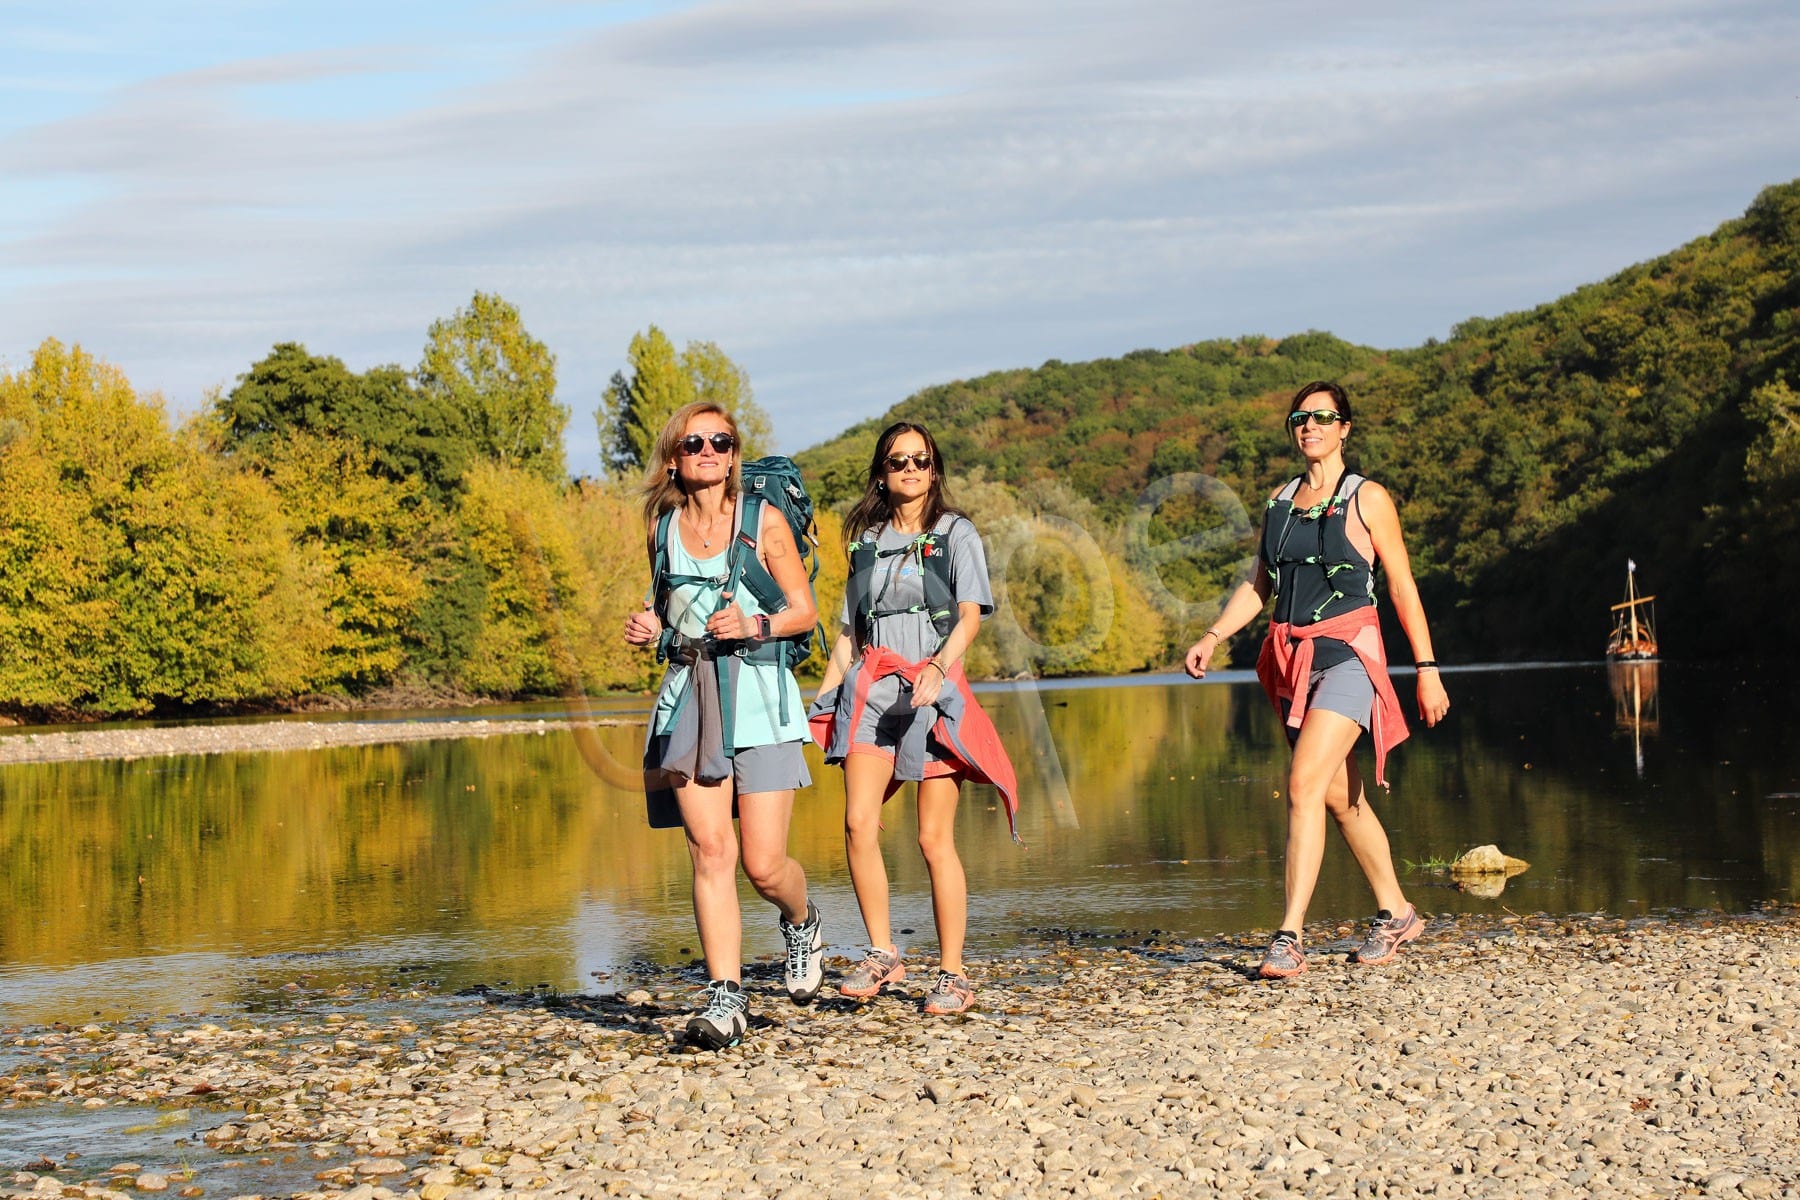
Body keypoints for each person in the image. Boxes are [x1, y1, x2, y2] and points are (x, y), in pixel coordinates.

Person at [1183, 381, 1451, 979]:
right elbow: (1259, 587)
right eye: (1300, 418)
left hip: (1350, 654)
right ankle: (1398, 911)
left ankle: (1288, 934)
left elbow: (1403, 587)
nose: (1310, 427)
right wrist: (1212, 636)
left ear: (1345, 428)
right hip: (1290, 662)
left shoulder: (1368, 498)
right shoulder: (1279, 503)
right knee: (1338, 797)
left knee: (1304, 783)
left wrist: (1427, 670)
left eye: (1323, 418)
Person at [624, 401, 825, 1048]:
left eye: (720, 441)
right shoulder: (662, 528)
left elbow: (803, 611)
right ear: (673, 459)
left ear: (735, 455)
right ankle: (725, 997)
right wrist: (652, 628)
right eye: (693, 443)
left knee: (765, 867)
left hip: (761, 695)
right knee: (711, 851)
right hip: (689, 696)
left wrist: (755, 624)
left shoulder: (762, 522)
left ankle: (800, 919)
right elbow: (666, 608)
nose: (707, 451)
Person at [809, 421, 1018, 1017]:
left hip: (931, 693)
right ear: (881, 471)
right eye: (898, 461)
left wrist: (939, 665)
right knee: (856, 823)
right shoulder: (865, 541)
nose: (910, 469)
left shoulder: (957, 534)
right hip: (872, 696)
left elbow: (972, 616)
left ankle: (952, 974)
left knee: (932, 839)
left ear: (934, 469)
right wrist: (824, 702)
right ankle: (882, 952)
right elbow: (850, 632)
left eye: (920, 461)